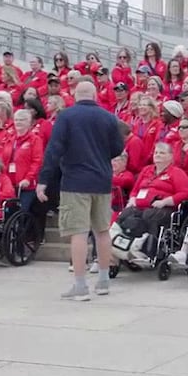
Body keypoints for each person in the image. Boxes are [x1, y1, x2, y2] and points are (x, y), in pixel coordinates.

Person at [39, 81, 126, 300]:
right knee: (102, 230)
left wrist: (44, 179)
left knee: (77, 232)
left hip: (75, 181)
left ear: (75, 95)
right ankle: (104, 281)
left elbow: (54, 149)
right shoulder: (108, 117)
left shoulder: (67, 116)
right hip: (102, 180)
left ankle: (80, 285)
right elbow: (118, 148)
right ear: (95, 95)